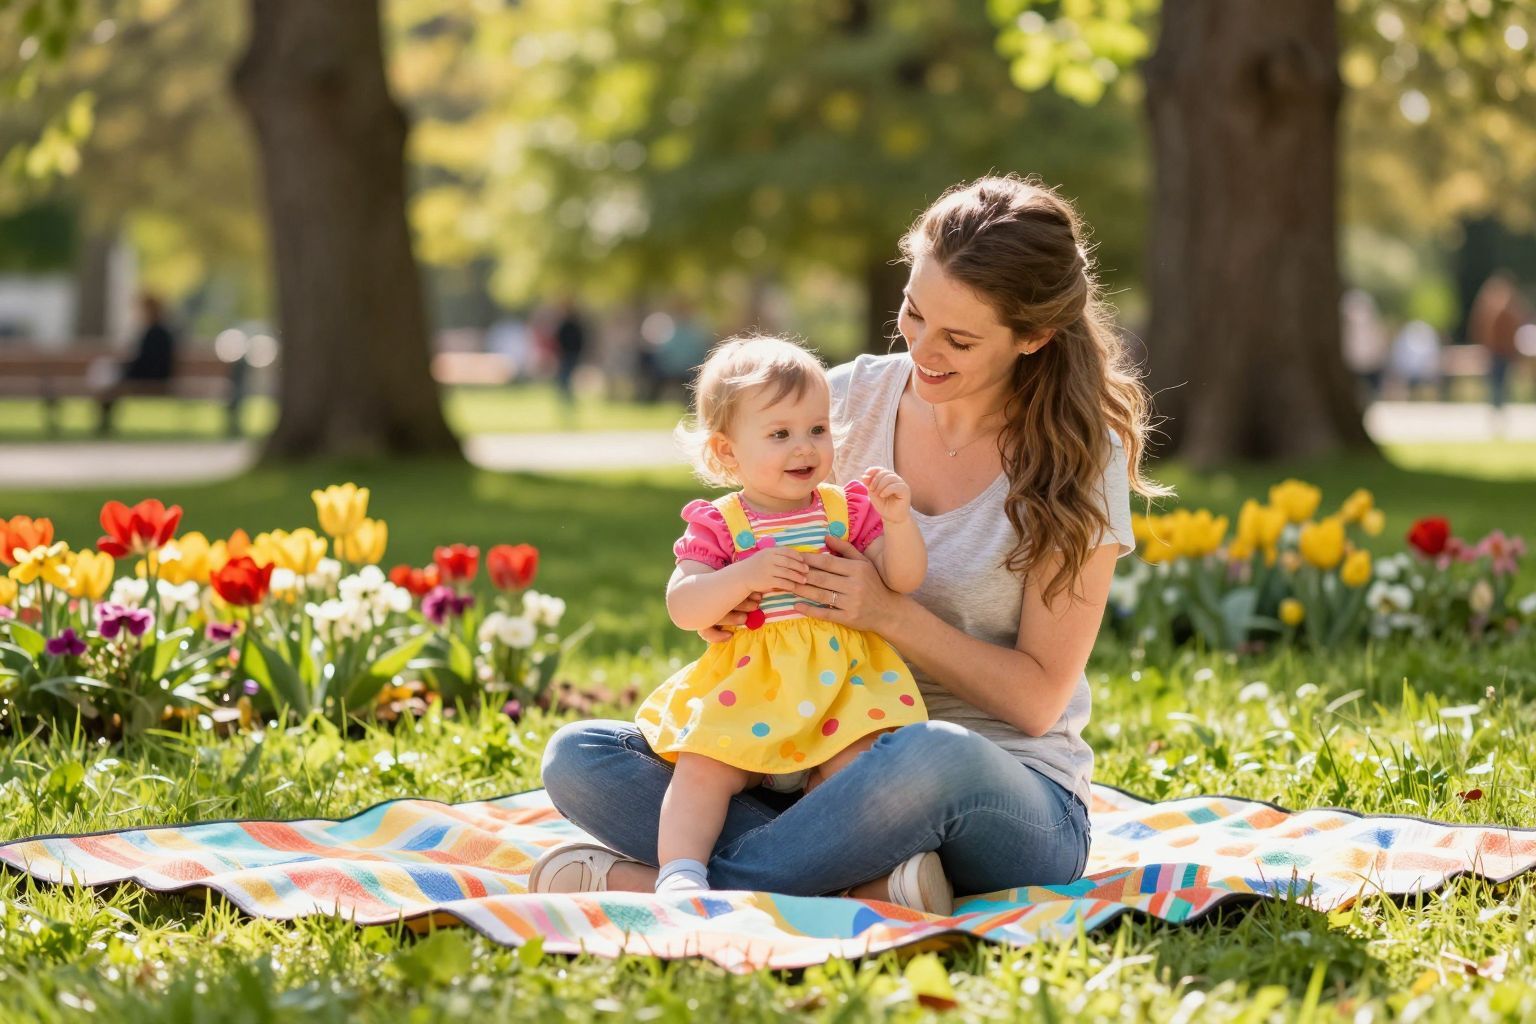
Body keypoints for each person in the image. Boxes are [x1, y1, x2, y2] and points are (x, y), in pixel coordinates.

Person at [532, 174, 1164, 910]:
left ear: (1033, 337)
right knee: (580, 756)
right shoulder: (838, 403)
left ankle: (664, 884)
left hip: (996, 785)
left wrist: (887, 613)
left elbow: (1036, 702)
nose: (922, 348)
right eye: (914, 312)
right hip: (804, 756)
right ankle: (866, 882)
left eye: (958, 339)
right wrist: (727, 603)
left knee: (930, 752)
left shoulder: (1078, 460)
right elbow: (741, 526)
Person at [596, 336, 935, 900]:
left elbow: (903, 580)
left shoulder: (845, 510)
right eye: (780, 434)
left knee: (859, 776)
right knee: (701, 770)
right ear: (727, 453)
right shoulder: (723, 524)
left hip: (839, 695)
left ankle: (832, 870)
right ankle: (681, 872)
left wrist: (898, 522)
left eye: (817, 429)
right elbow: (683, 605)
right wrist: (741, 577)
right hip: (747, 694)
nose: (805, 447)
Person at [98, 292, 177, 435]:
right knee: (109, 382)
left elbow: (148, 361)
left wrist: (126, 369)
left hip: (152, 377)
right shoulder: (160, 331)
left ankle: (104, 424)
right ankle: (104, 423)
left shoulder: (156, 333)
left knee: (110, 385)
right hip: (154, 374)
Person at [1466, 271, 1532, 410]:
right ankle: (1497, 404)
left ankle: (1498, 403)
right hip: (1498, 350)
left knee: (1499, 379)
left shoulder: (1499, 308)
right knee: (1497, 379)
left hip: (1502, 349)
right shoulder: (1500, 309)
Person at [552, 299, 588, 406]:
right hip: (566, 354)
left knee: (566, 377)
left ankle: (567, 397)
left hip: (570, 354)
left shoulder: (572, 325)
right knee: (565, 377)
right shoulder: (566, 325)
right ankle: (566, 397)